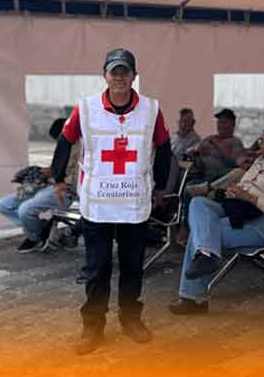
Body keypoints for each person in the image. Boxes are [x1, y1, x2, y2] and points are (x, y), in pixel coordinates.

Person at [49, 48, 172, 355]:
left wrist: (159, 186)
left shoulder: (151, 109)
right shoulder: (86, 108)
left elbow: (163, 147)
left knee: (132, 267)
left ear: (134, 76)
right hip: (98, 205)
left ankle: (131, 319)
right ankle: (92, 327)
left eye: (125, 72)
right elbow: (65, 140)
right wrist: (59, 178)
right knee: (97, 268)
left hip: (134, 203)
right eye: (114, 72)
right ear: (104, 76)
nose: (119, 77)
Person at [168, 123, 264, 315]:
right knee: (199, 203)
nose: (262, 145)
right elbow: (245, 184)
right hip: (238, 213)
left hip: (262, 225)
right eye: (261, 140)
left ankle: (194, 297)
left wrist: (250, 198)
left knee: (201, 236)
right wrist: (234, 191)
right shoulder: (260, 162)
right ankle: (206, 259)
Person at [0, 117, 77, 253]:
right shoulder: (63, 147)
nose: (58, 143)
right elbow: (55, 169)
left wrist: (57, 177)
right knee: (4, 205)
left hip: (64, 189)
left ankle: (35, 235)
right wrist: (37, 177)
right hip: (48, 185)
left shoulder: (80, 148)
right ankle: (41, 230)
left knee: (25, 210)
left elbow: (71, 175)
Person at [191, 109, 246, 181]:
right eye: (219, 122)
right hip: (201, 174)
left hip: (221, 179)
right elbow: (194, 152)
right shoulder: (210, 138)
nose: (220, 125)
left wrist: (217, 144)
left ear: (233, 125)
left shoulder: (235, 142)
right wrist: (198, 152)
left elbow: (234, 163)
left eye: (224, 122)